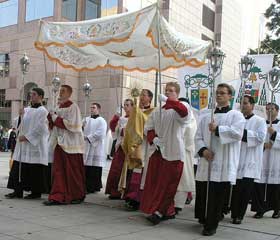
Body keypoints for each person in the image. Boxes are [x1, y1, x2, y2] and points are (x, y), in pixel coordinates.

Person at [195, 83, 245, 236]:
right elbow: (197, 137)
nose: (219, 95)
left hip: (223, 160)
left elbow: (238, 134)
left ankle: (212, 224)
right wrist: (203, 150)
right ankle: (204, 218)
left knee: (217, 195)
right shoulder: (206, 116)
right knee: (204, 192)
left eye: (223, 93)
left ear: (230, 96)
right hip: (206, 160)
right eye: (217, 93)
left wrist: (217, 130)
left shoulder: (236, 115)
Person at [140, 82, 190, 225]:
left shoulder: (182, 107)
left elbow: (184, 114)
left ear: (177, 94)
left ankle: (160, 212)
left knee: (169, 184)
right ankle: (166, 210)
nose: (168, 93)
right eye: (166, 91)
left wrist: (169, 101)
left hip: (174, 151)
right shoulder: (157, 111)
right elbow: (148, 128)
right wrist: (154, 139)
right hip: (158, 151)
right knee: (157, 183)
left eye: (171, 91)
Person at [44, 84, 86, 205]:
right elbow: (52, 126)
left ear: (69, 93)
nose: (60, 93)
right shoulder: (57, 107)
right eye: (60, 91)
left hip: (71, 144)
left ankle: (76, 194)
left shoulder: (74, 107)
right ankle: (58, 195)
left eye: (63, 91)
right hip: (59, 141)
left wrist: (55, 117)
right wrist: (50, 117)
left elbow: (74, 125)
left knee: (72, 171)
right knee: (58, 170)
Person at [5, 88, 49, 199]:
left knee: (34, 169)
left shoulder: (43, 111)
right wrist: (20, 116)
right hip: (23, 145)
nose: (31, 96)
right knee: (19, 167)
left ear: (40, 96)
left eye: (34, 94)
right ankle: (17, 191)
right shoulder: (27, 109)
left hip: (34, 145)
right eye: (30, 94)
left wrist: (27, 137)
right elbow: (17, 124)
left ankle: (35, 192)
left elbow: (41, 128)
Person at [230, 95, 266, 224]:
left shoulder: (260, 121)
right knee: (235, 190)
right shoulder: (237, 119)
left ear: (252, 105)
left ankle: (239, 215)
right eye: (241, 103)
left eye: (245, 103)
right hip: (237, 159)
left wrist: (241, 133)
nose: (242, 106)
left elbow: (260, 137)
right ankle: (233, 212)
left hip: (250, 161)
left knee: (245, 191)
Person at [121, 89, 154, 210]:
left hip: (145, 144)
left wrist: (137, 112)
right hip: (135, 144)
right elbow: (130, 125)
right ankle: (132, 197)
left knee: (143, 171)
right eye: (141, 95)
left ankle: (140, 198)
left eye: (144, 95)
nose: (141, 97)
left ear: (150, 98)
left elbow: (148, 124)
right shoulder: (136, 111)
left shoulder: (153, 111)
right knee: (135, 171)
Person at [251, 103, 280, 219]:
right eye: (267, 109)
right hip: (262, 156)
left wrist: (274, 134)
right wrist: (263, 145)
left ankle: (277, 209)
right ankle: (260, 209)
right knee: (259, 184)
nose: (269, 111)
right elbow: (256, 138)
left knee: (276, 185)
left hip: (276, 158)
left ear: (277, 111)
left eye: (272, 109)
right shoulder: (261, 123)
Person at [105, 99, 134, 199]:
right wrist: (116, 116)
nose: (125, 107)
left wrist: (125, 131)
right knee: (116, 169)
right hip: (120, 147)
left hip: (130, 148)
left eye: (127, 105)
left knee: (128, 171)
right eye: (124, 105)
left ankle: (126, 192)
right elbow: (113, 128)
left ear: (132, 106)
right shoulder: (122, 119)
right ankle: (115, 191)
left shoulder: (135, 118)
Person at [174, 97, 196, 213]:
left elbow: (190, 135)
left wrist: (180, 141)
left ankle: (178, 204)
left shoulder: (191, 119)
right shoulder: (175, 116)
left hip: (185, 152)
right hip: (173, 151)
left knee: (183, 178)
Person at [83, 102, 107, 193]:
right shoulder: (86, 119)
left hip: (96, 147)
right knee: (87, 168)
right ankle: (86, 186)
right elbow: (80, 129)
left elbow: (101, 134)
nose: (92, 109)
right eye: (91, 107)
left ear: (98, 109)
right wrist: (82, 126)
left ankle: (94, 186)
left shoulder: (102, 120)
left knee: (95, 168)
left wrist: (89, 138)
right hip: (87, 146)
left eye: (94, 107)